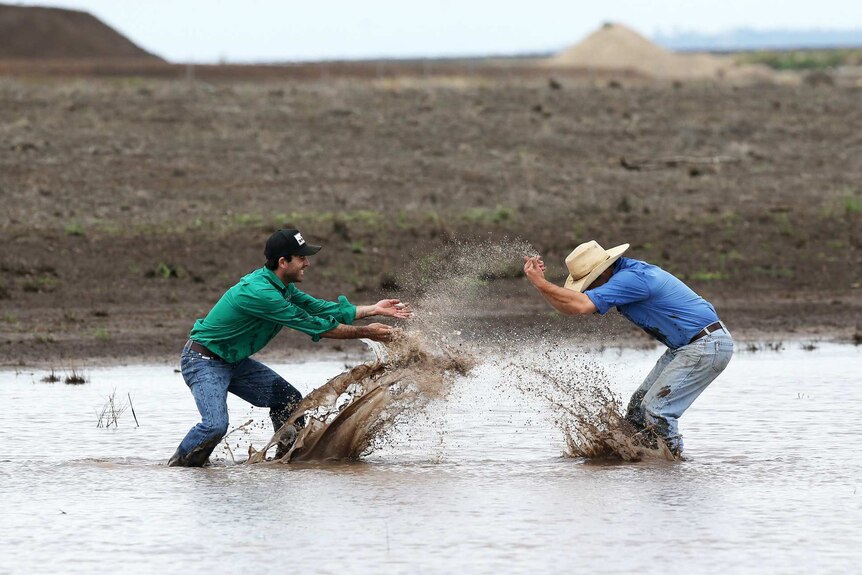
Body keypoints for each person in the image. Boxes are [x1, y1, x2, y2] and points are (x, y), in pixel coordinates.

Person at [168, 228, 411, 467]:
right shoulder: (262, 294)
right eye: (302, 258)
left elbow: (320, 308)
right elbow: (316, 326)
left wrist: (374, 309)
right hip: (203, 361)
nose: (307, 263)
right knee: (214, 426)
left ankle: (288, 462)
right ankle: (179, 468)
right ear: (283, 261)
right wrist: (368, 332)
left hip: (233, 361)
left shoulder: (280, 287)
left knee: (289, 400)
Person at [523, 240, 733, 457]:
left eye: (588, 284)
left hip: (706, 345)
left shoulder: (631, 279)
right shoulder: (622, 275)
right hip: (690, 346)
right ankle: (643, 460)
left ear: (601, 274)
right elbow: (571, 308)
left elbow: (580, 304)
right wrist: (541, 285)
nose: (588, 289)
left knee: (657, 411)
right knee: (637, 410)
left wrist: (541, 284)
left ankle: (672, 466)